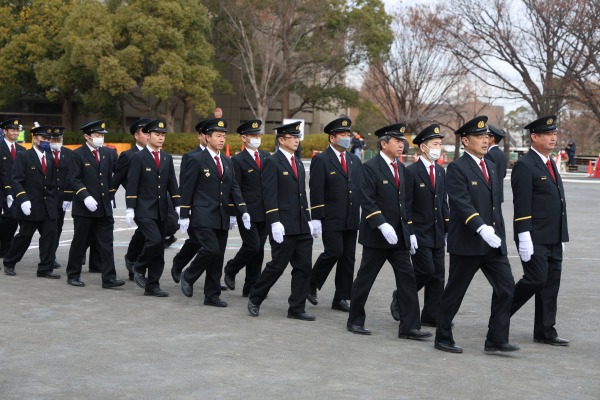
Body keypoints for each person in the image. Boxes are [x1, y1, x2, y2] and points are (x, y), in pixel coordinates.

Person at [434, 116, 518, 354]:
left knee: (506, 287)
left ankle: (496, 339)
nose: (485, 140)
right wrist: (481, 227)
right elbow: (461, 203)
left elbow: (494, 204)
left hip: (493, 243)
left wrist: (497, 231)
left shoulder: (490, 165)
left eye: (486, 136)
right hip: (469, 241)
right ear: (465, 140)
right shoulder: (457, 168)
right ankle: (443, 337)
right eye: (480, 136)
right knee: (455, 291)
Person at [346, 122, 431, 341]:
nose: (401, 144)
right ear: (384, 144)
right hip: (377, 236)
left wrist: (409, 231)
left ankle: (409, 326)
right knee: (365, 279)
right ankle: (355, 320)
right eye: (396, 141)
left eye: (402, 141)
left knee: (408, 280)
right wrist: (381, 224)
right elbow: (366, 199)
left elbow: (405, 204)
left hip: (399, 237)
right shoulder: (370, 167)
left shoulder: (401, 168)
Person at [247, 121, 319, 320]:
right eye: (292, 137)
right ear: (281, 140)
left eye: (298, 137)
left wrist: (309, 219)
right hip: (283, 224)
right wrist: (274, 221)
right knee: (277, 266)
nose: (296, 140)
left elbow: (301, 194)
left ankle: (296, 307)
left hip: (301, 223)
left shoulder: (297, 161)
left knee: (304, 267)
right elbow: (269, 193)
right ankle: (255, 297)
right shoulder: (272, 161)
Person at [510, 115, 570, 346]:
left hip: (553, 235)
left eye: (555, 133)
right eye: (548, 134)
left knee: (550, 284)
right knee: (535, 279)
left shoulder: (550, 162)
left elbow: (557, 202)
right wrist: (524, 235)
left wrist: (561, 234)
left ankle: (546, 330)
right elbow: (522, 203)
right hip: (534, 236)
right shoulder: (525, 165)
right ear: (535, 137)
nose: (553, 138)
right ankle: (500, 314)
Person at [178, 118, 250, 307]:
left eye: (223, 136)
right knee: (210, 249)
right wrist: (184, 214)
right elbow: (188, 188)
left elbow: (233, 187)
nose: (221, 139)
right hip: (202, 214)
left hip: (221, 215)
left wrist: (242, 210)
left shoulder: (226, 160)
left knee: (218, 257)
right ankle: (189, 275)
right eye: (217, 136)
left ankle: (212, 295)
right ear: (207, 137)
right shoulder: (196, 159)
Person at [390, 123, 449, 327]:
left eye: (440, 144)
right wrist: (410, 231)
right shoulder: (412, 172)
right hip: (419, 231)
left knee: (438, 275)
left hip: (437, 232)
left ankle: (431, 315)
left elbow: (443, 203)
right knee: (426, 271)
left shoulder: (441, 172)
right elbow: (405, 205)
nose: (438, 148)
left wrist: (447, 228)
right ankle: (401, 295)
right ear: (423, 147)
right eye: (434, 144)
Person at [306, 117, 361, 312]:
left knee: (348, 258)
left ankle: (341, 297)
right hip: (331, 216)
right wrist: (317, 217)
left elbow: (357, 188)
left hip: (351, 216)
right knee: (334, 252)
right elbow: (316, 190)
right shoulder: (321, 160)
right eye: (342, 134)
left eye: (348, 134)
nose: (347, 137)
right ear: (332, 137)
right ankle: (311, 283)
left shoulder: (354, 160)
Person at [65, 120, 125, 289]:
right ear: (87, 136)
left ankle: (109, 277)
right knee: (80, 242)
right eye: (97, 135)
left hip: (104, 207)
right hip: (85, 208)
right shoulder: (77, 154)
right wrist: (84, 196)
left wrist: (114, 193)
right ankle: (73, 274)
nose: (100, 138)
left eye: (102, 135)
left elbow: (117, 175)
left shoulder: (109, 153)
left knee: (106, 243)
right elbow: (74, 179)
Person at [127, 119, 180, 297]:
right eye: (157, 134)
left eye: (163, 135)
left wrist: (179, 206)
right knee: (155, 240)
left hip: (161, 210)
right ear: (148, 135)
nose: (161, 138)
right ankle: (139, 266)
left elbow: (172, 184)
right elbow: (132, 184)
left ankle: (153, 285)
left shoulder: (166, 157)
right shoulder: (138, 157)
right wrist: (130, 208)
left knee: (158, 251)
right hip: (143, 210)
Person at [3, 126, 59, 278]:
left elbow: (53, 182)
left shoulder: (50, 157)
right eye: (43, 138)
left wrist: (55, 201)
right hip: (29, 205)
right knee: (24, 236)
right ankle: (9, 261)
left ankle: (45, 268)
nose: (46, 141)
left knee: (50, 235)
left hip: (47, 206)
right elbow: (16, 181)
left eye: (48, 139)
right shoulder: (24, 156)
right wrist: (22, 199)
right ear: (35, 139)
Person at [223, 119, 270, 297]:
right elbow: (234, 189)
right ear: (244, 138)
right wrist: (235, 213)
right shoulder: (237, 160)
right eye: (253, 135)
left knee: (258, 252)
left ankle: (250, 287)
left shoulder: (266, 157)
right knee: (252, 246)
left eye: (258, 135)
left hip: (264, 211)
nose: (257, 138)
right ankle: (231, 268)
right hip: (247, 212)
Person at [112, 118, 151, 281]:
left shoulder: (155, 153)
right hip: (138, 202)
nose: (148, 135)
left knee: (148, 233)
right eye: (145, 132)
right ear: (136, 135)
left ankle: (133, 260)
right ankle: (134, 262)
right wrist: (110, 196)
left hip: (154, 202)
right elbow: (117, 179)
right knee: (148, 233)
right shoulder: (128, 155)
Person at [170, 119, 208, 283]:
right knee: (197, 241)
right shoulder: (190, 156)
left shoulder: (221, 158)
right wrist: (185, 208)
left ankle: (212, 278)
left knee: (212, 244)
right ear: (200, 136)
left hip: (213, 209)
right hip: (195, 208)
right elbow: (185, 184)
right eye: (206, 134)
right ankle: (178, 264)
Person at [0, 118, 26, 258]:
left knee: (12, 219)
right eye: (12, 130)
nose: (15, 132)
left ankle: (5, 248)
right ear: (5, 131)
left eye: (17, 130)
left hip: (16, 190)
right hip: (2, 191)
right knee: (7, 218)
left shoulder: (22, 150)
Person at [50, 126, 75, 270]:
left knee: (57, 228)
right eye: (54, 139)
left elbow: (72, 176)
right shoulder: (45, 152)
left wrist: (68, 196)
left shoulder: (69, 154)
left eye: (59, 139)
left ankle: (51, 255)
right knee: (48, 229)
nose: (56, 141)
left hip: (62, 199)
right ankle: (48, 256)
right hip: (47, 198)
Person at [484, 125, 507, 203]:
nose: (485, 139)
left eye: (487, 137)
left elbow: (487, 176)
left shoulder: (488, 154)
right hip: (499, 195)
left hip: (491, 194)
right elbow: (503, 174)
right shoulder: (502, 154)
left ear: (492, 139)